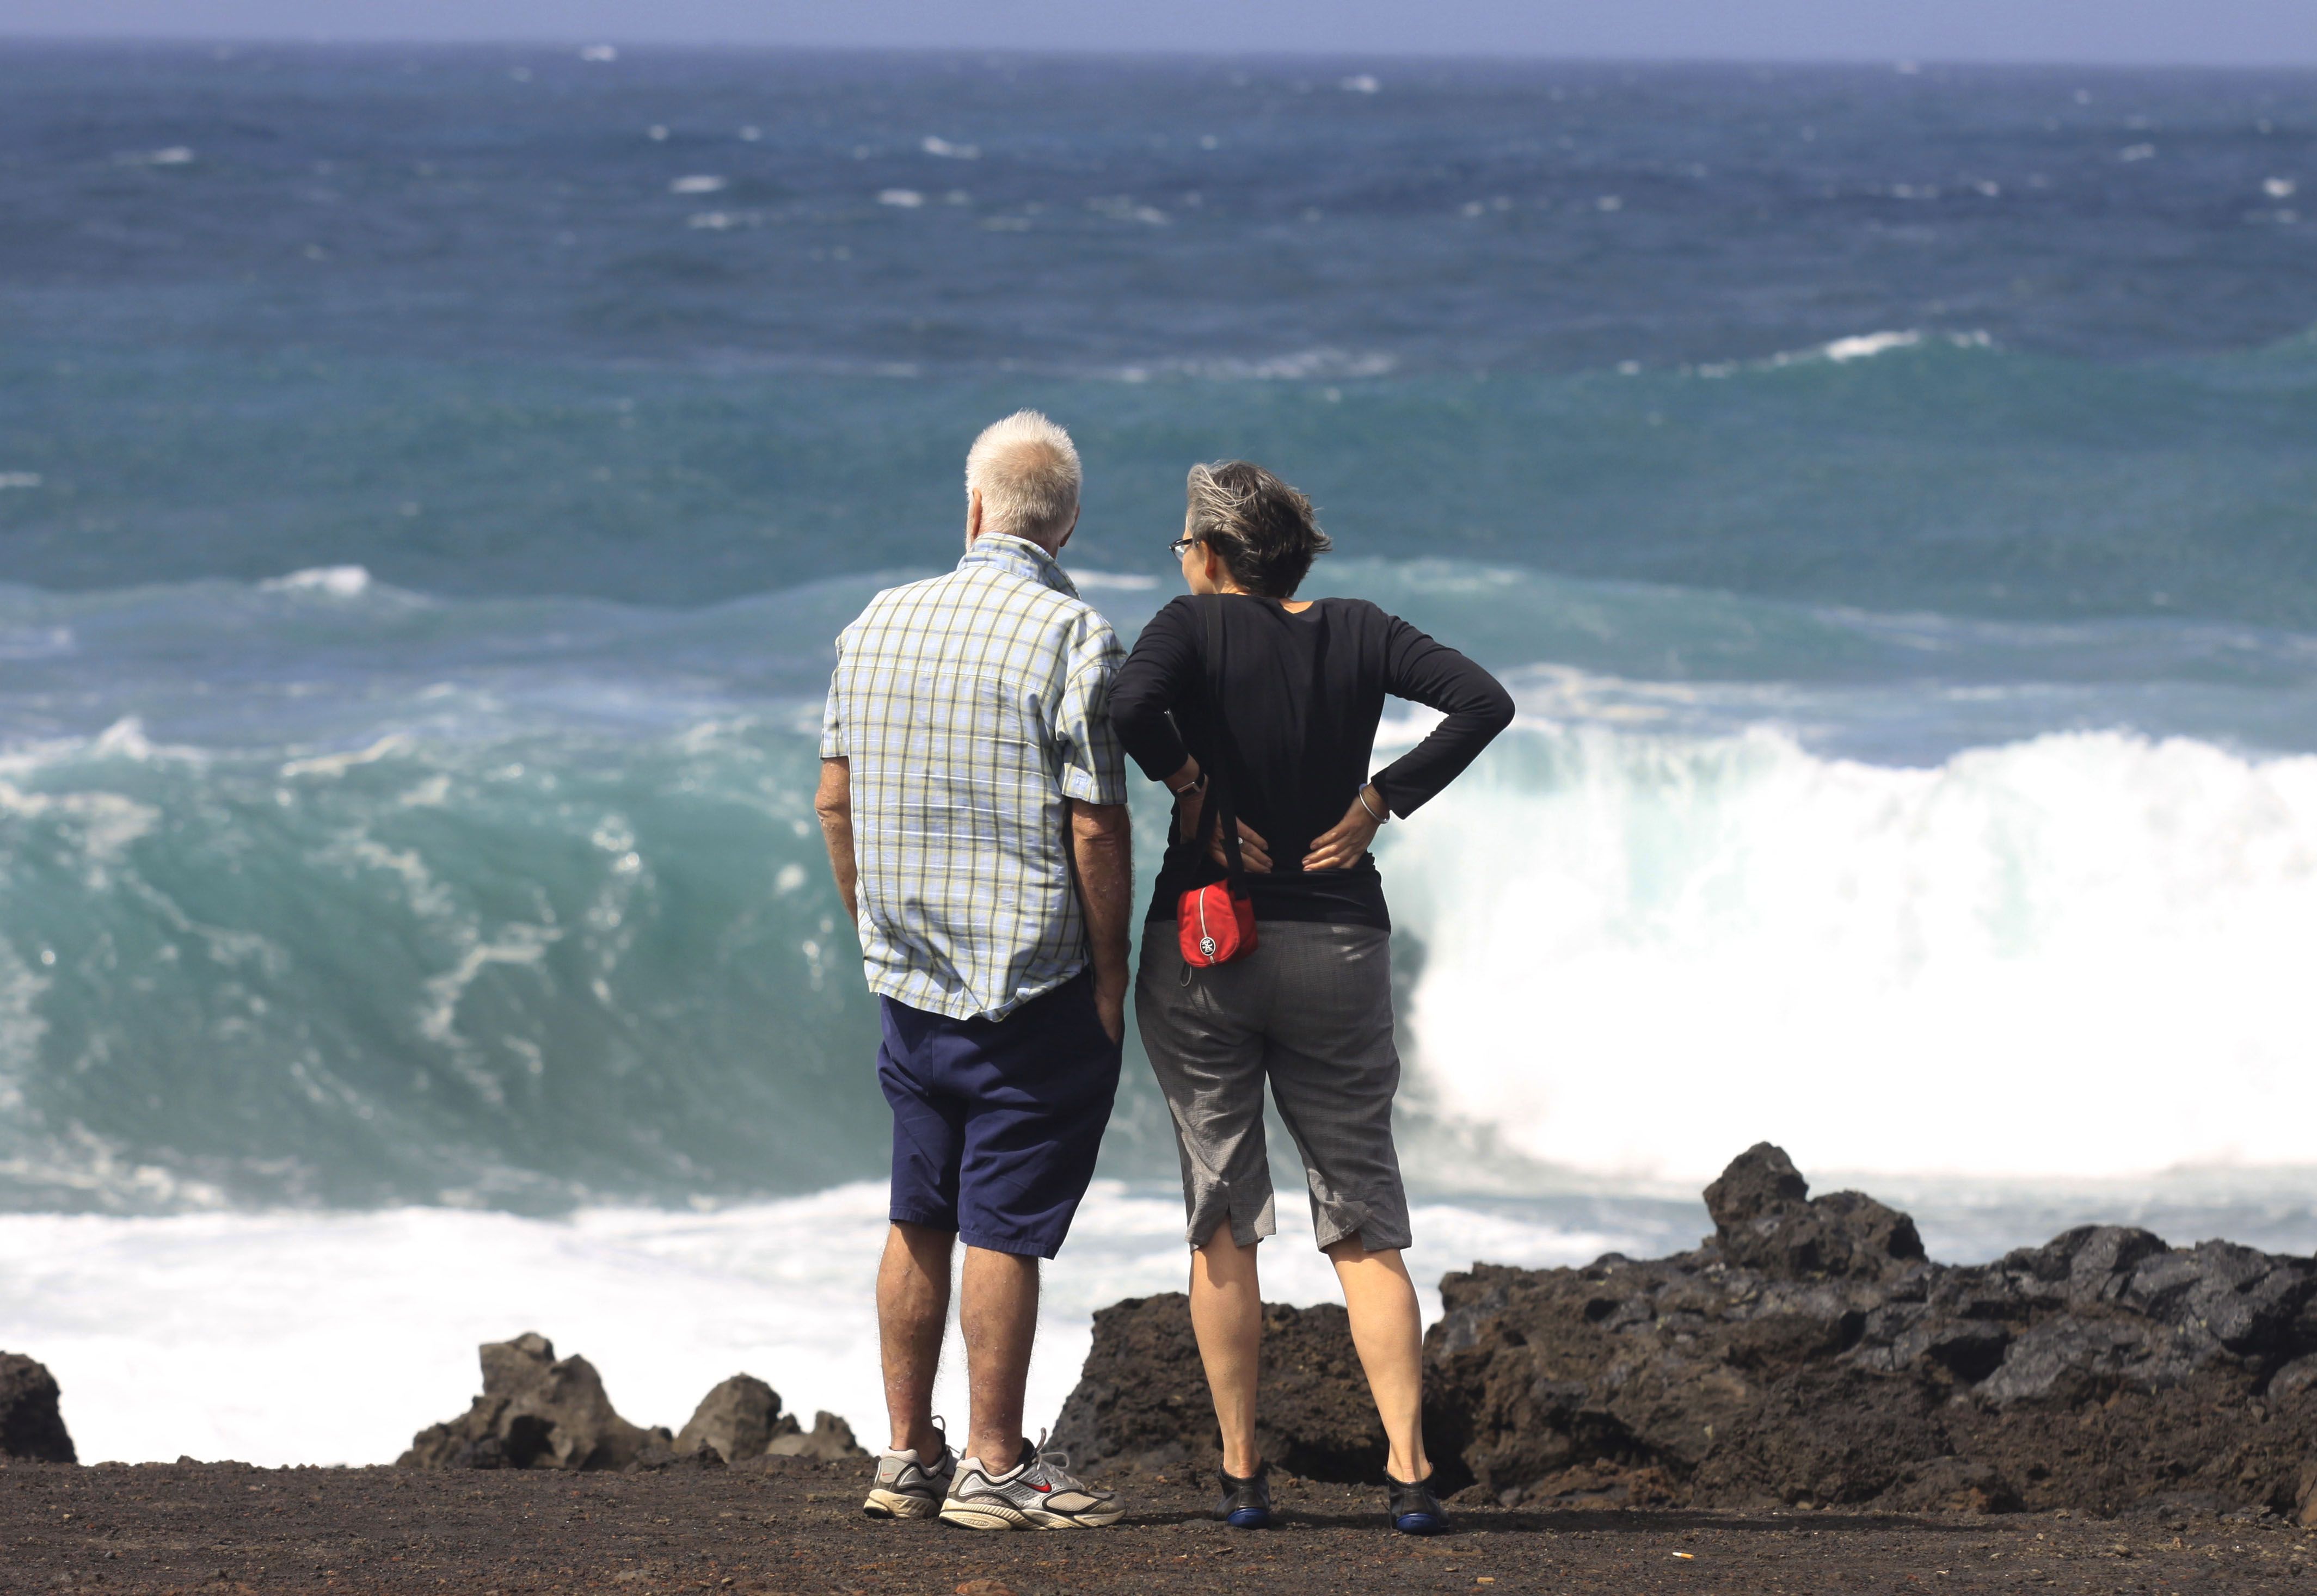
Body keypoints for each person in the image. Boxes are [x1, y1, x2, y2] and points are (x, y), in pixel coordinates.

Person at [1108, 461, 1513, 1536]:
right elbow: (1484, 700)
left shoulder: (1189, 629)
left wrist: (1192, 785)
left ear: (1208, 553)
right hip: (1337, 942)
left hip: (1207, 943)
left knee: (1223, 1210)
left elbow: (1125, 703)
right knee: (1363, 1216)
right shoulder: (1362, 629)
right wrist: (1381, 799)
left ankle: (1244, 1478)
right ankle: (1410, 1475)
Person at [815, 410, 1133, 1532]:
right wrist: (1112, 971)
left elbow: (834, 799)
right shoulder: (1075, 637)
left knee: (918, 1212)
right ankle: (994, 1467)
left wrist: (875, 924)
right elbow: (1095, 828)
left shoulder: (874, 624)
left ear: (973, 511)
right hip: (1026, 988)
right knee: (1001, 1224)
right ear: (1067, 526)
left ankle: (904, 1455)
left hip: (909, 986)